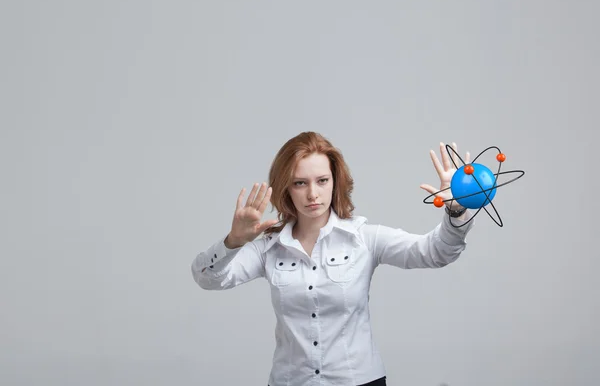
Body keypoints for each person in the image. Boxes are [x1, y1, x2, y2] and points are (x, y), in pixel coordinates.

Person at [191, 131, 475, 386]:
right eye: (300, 183)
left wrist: (455, 210)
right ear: (286, 188)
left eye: (322, 181)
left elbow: (436, 252)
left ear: (334, 182)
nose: (312, 194)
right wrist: (234, 242)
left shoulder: (364, 237)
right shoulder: (268, 247)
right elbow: (206, 277)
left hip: (359, 381)